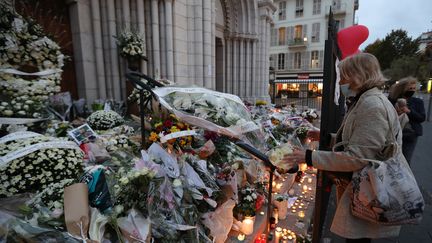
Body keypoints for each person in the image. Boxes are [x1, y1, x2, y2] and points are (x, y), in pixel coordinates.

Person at [283, 53, 404, 242]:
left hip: (368, 190)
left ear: (359, 75)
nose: (342, 82)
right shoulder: (366, 100)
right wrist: (331, 138)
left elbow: (358, 157)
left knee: (358, 238)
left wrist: (309, 157)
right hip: (364, 187)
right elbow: (360, 139)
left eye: (345, 76)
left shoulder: (372, 105)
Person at [388, 77, 426, 164]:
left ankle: (404, 177)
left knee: (405, 159)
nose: (412, 90)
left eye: (413, 88)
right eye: (409, 88)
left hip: (410, 133)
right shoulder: (393, 100)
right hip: (394, 133)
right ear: (402, 89)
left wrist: (408, 111)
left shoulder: (418, 102)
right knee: (390, 158)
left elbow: (421, 118)